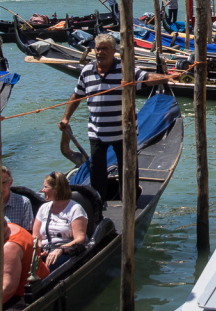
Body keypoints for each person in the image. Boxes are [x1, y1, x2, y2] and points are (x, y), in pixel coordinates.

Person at [58, 33, 169, 203]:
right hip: (97, 132)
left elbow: (146, 78)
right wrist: (66, 118)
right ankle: (97, 204)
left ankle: (130, 200)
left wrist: (167, 77)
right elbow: (77, 96)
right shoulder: (87, 71)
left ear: (114, 50)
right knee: (97, 172)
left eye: (104, 49)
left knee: (129, 169)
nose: (100, 52)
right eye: (97, 49)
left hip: (124, 133)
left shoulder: (125, 69)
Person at [32, 172, 88, 273]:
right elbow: (36, 237)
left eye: (45, 187)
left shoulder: (75, 209)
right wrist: (39, 249)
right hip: (45, 250)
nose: (42, 190)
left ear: (56, 190)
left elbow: (80, 239)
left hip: (65, 252)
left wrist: (61, 249)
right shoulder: (43, 208)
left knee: (53, 263)